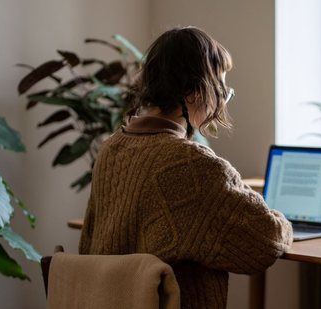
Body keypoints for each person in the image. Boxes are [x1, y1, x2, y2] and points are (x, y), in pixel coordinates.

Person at [79, 26, 293, 309]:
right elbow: (266, 242)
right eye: (221, 90)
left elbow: (87, 245)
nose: (221, 101)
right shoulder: (192, 165)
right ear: (193, 92)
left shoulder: (111, 148)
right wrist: (283, 220)